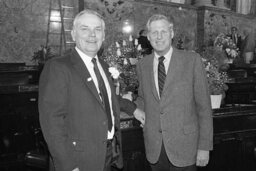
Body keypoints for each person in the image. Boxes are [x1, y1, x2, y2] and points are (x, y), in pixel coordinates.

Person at [39, 9, 144, 171]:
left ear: (103, 36)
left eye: (97, 29)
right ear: (73, 34)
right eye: (85, 29)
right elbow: (52, 122)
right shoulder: (58, 67)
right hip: (79, 159)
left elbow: (106, 99)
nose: (92, 34)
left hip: (108, 153)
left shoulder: (103, 65)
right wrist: (68, 165)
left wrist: (134, 109)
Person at [135, 14, 213, 171]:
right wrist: (136, 108)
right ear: (148, 36)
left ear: (171, 33)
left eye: (163, 31)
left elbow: (204, 107)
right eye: (154, 32)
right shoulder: (143, 65)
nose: (159, 36)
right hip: (155, 148)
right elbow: (144, 98)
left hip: (185, 147)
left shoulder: (192, 61)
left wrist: (204, 147)